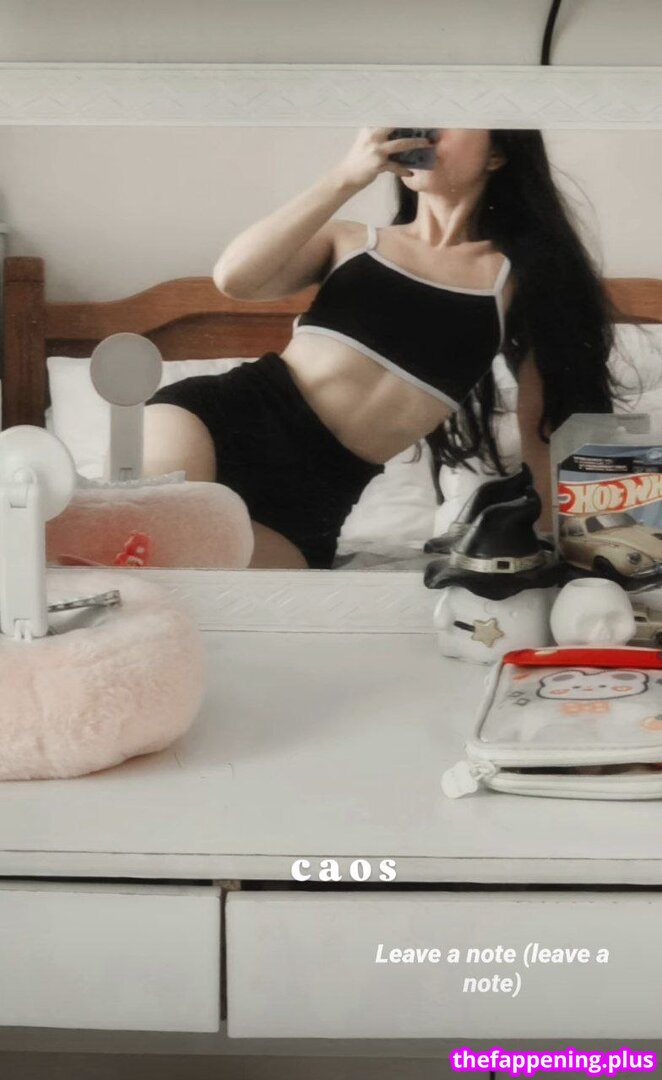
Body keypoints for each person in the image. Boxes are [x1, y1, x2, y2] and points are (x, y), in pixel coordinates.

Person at [143, 127, 615, 569]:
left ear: (497, 154)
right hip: (215, 422)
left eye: (448, 118)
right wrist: (346, 177)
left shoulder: (517, 279)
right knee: (160, 541)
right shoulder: (352, 242)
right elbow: (234, 279)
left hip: (311, 501)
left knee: (196, 576)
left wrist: (554, 548)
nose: (427, 130)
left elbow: (541, 425)